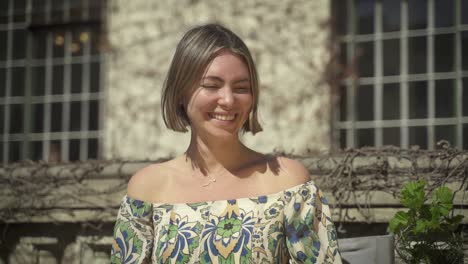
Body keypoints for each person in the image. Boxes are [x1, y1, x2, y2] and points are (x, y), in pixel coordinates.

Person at [111, 23, 342, 263]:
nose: (229, 100)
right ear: (180, 92)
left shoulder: (289, 184)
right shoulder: (147, 190)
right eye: (211, 86)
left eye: (241, 88)